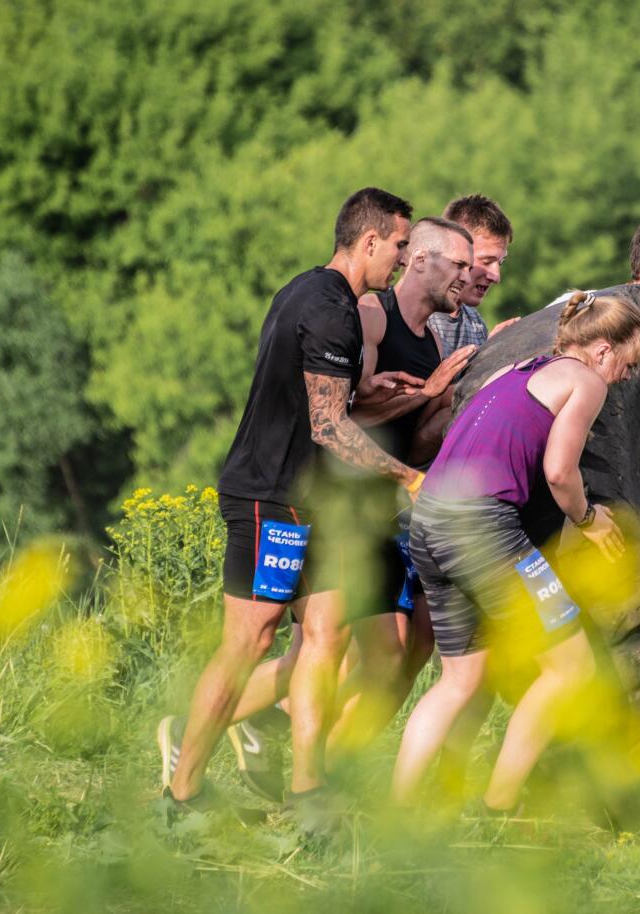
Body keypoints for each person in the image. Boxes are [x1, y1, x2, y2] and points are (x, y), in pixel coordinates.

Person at [157, 187, 423, 829]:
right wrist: (408, 476)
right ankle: (182, 795)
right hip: (270, 497)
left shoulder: (308, 292)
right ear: (368, 242)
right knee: (252, 637)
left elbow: (314, 392)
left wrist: (368, 384)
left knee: (327, 634)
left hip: (316, 500)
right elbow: (331, 427)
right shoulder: (333, 312)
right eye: (399, 247)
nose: (402, 260)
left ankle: (309, 794)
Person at [215, 217, 478, 798]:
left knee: (385, 658)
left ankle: (318, 775)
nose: (477, 273)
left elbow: (402, 426)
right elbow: (336, 422)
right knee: (307, 642)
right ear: (417, 260)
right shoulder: (369, 317)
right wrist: (425, 398)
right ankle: (203, 735)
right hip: (328, 500)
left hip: (379, 506)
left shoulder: (438, 337)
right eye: (463, 263)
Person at [391, 291, 640, 814]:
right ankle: (499, 808)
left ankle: (393, 814)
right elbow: (559, 470)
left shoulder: (511, 368)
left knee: (460, 679)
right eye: (629, 363)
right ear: (601, 350)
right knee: (571, 667)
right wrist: (588, 519)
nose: (626, 376)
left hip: (429, 521)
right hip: (481, 525)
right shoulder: (586, 381)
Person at [428, 194, 520, 356]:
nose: (496, 276)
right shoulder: (415, 316)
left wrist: (489, 351)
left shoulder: (476, 323)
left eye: (500, 262)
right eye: (486, 261)